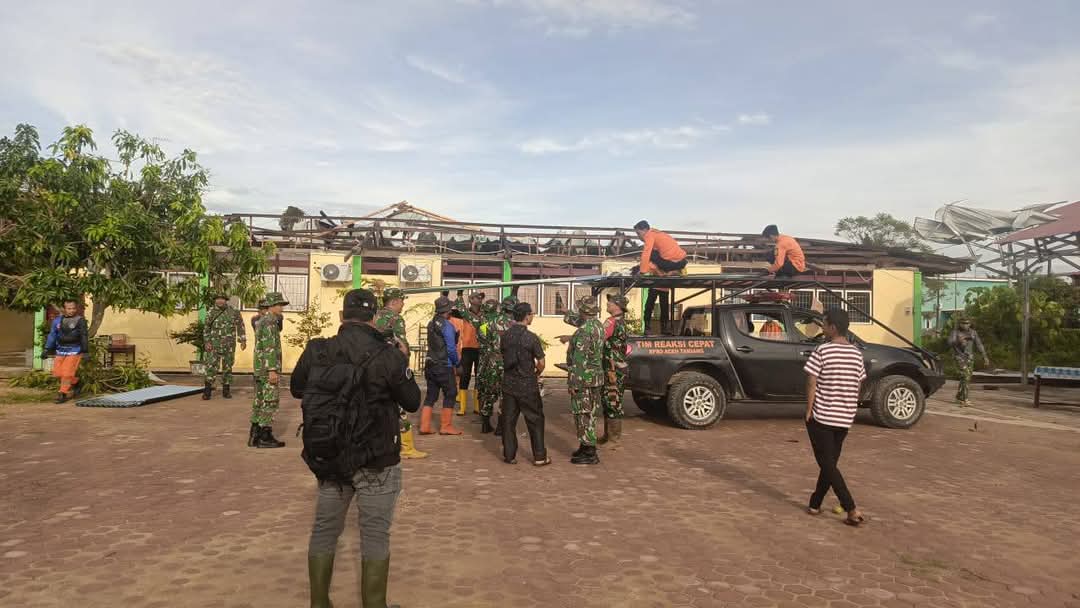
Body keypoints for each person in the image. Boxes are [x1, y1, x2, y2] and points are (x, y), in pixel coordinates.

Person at [290, 288, 421, 608]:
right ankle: (374, 604)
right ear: (375, 317)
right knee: (375, 533)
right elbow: (412, 401)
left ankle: (319, 603)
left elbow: (297, 388)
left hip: (329, 454)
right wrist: (403, 359)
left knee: (325, 529)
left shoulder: (318, 349)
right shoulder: (388, 354)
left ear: (341, 316)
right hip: (376, 458)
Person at [803, 308, 867, 527]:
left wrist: (809, 409)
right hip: (844, 418)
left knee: (828, 464)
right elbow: (859, 383)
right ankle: (815, 503)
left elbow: (812, 381)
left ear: (832, 327)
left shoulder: (822, 350)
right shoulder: (856, 353)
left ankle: (851, 508)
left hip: (822, 416)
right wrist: (851, 407)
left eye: (823, 323)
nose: (822, 327)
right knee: (829, 463)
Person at [374, 287, 428, 459]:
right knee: (399, 407)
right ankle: (406, 447)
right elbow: (401, 343)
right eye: (402, 301)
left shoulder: (374, 316)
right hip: (392, 367)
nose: (403, 304)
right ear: (394, 301)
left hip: (374, 368)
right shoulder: (395, 318)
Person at [500, 302, 549, 465]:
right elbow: (541, 362)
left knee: (508, 421)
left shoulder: (505, 336)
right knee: (535, 421)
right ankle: (540, 456)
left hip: (509, 384)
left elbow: (503, 356)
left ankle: (509, 455)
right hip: (528, 384)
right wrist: (536, 373)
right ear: (527, 316)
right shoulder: (531, 337)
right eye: (532, 314)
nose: (532, 316)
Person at [566, 296, 606, 465]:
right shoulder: (598, 326)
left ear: (582, 311)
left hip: (584, 380)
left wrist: (573, 383)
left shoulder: (583, 331)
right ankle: (585, 445)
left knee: (583, 414)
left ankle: (589, 452)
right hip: (595, 378)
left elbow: (579, 360)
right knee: (590, 413)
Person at [419, 295, 463, 436]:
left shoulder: (431, 323)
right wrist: (457, 363)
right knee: (451, 393)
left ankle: (424, 426)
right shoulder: (447, 326)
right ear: (448, 310)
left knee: (431, 395)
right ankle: (446, 426)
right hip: (444, 365)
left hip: (430, 363)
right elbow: (451, 349)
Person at [635, 220, 687, 335]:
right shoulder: (659, 234)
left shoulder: (650, 236)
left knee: (650, 305)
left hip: (660, 279)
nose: (638, 237)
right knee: (663, 306)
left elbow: (646, 254)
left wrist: (642, 271)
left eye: (638, 233)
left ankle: (649, 328)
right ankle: (664, 329)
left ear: (644, 230)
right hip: (679, 263)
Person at [250, 291, 288, 449]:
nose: (281, 308)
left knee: (259, 400)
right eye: (279, 305)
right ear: (272, 306)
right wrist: (272, 370)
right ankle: (264, 436)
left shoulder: (261, 321)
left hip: (260, 368)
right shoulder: (270, 322)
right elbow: (269, 347)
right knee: (270, 401)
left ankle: (254, 435)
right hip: (267, 369)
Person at [43, 299, 89, 404]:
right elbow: (52, 335)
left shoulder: (80, 320)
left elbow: (84, 336)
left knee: (67, 373)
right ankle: (76, 382)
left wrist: (85, 351)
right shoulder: (57, 321)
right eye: (69, 308)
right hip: (61, 349)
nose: (71, 310)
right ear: (64, 309)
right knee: (58, 373)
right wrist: (47, 349)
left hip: (75, 350)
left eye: (73, 308)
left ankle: (62, 393)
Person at [202, 292, 247, 400]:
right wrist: (207, 342)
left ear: (226, 300)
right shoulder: (211, 312)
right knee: (211, 367)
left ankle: (226, 391)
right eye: (218, 299)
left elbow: (240, 325)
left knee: (227, 367)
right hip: (214, 345)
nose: (220, 301)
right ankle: (207, 391)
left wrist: (242, 340)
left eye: (222, 299)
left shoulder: (234, 311)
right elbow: (206, 328)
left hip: (229, 345)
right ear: (215, 300)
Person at [599, 293, 629, 447]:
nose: (607, 304)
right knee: (609, 400)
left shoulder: (611, 322)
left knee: (612, 401)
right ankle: (608, 436)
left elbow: (597, 337)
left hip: (612, 369)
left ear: (617, 306)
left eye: (610, 302)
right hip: (615, 367)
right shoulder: (620, 321)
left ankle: (613, 439)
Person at [453, 291, 485, 416]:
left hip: (480, 349)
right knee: (464, 376)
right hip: (467, 348)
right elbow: (459, 306)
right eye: (477, 297)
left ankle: (477, 407)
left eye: (481, 298)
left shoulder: (484, 314)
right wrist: (460, 295)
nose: (480, 299)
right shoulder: (465, 313)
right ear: (471, 300)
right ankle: (462, 408)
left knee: (479, 377)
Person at [948, 317, 989, 406]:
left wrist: (985, 356)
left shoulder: (973, 332)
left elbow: (979, 344)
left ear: (970, 324)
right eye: (963, 323)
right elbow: (950, 342)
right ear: (960, 324)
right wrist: (959, 341)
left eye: (967, 323)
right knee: (965, 375)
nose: (965, 325)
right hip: (959, 357)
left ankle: (959, 397)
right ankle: (965, 399)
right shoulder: (955, 332)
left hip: (970, 358)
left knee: (966, 378)